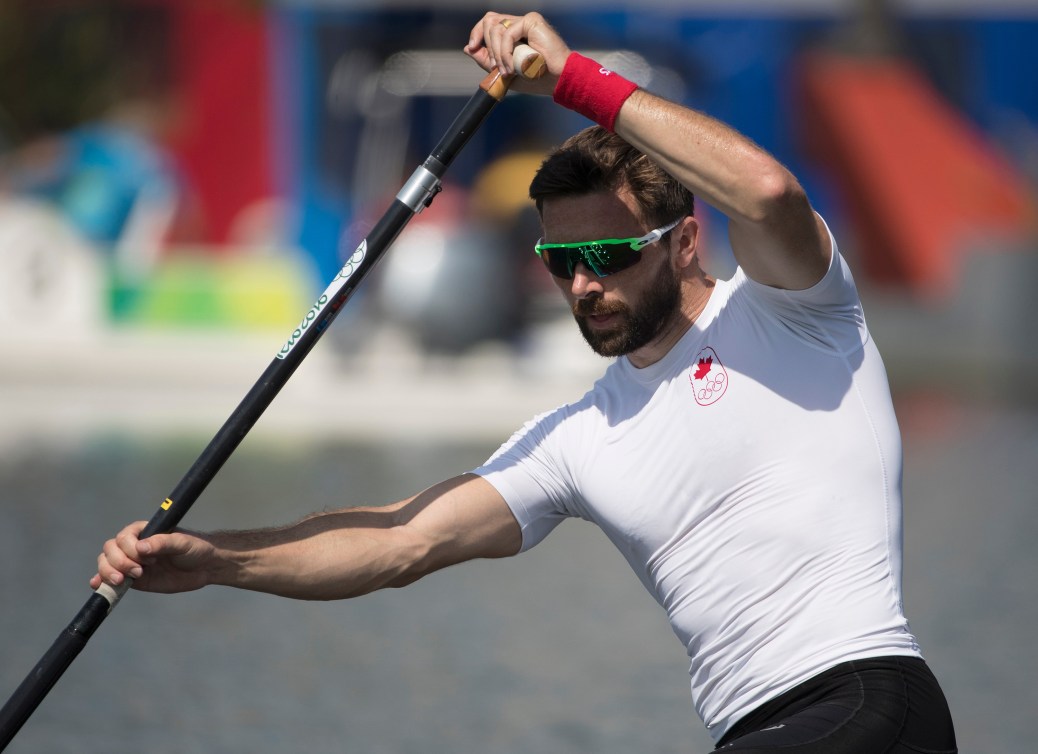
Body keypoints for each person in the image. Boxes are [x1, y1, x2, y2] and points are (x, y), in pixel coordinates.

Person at [92, 11, 957, 752]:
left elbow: (767, 191)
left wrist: (574, 79)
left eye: (608, 254)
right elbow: (400, 542)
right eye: (560, 260)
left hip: (866, 701)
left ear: (685, 242)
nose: (584, 284)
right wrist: (218, 561)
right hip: (752, 730)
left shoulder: (794, 312)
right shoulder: (579, 439)